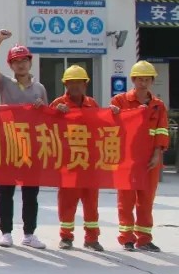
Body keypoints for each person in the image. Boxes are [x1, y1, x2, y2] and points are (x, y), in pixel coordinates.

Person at [0, 30, 47, 249]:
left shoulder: (39, 88)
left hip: (32, 146)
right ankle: (6, 232)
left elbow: (46, 118)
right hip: (9, 144)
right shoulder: (5, 84)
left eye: (24, 61)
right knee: (6, 191)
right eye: (16, 61)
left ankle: (29, 234)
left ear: (30, 63)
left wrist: (42, 108)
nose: (21, 65)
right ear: (10, 65)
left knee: (30, 193)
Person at [111, 61, 169, 252]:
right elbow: (111, 126)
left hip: (150, 160)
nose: (143, 83)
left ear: (152, 81)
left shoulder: (158, 105)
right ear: (133, 80)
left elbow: (162, 131)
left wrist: (157, 154)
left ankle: (144, 239)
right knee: (126, 199)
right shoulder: (119, 101)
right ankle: (126, 237)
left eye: (147, 80)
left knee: (146, 200)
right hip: (127, 159)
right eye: (139, 79)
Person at [51, 65, 102, 251]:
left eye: (79, 82)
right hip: (69, 163)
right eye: (71, 83)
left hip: (89, 163)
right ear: (65, 85)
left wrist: (114, 113)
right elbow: (46, 128)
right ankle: (66, 237)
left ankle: (92, 238)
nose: (75, 86)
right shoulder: (58, 104)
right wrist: (56, 113)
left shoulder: (92, 104)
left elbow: (103, 126)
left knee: (91, 202)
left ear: (85, 85)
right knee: (67, 202)